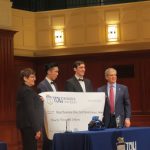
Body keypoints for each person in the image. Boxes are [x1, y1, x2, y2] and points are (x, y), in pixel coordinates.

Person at [16, 68, 43, 150]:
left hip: (26, 125)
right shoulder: (27, 91)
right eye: (32, 77)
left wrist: (38, 98)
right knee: (31, 147)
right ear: (25, 78)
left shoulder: (23, 89)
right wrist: (37, 128)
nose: (34, 79)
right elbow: (30, 111)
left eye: (34, 76)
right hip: (30, 126)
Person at [37, 62, 59, 150]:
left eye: (58, 72)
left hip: (54, 117)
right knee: (47, 142)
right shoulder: (42, 85)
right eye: (56, 71)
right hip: (46, 118)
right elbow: (42, 103)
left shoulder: (55, 85)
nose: (57, 74)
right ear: (49, 72)